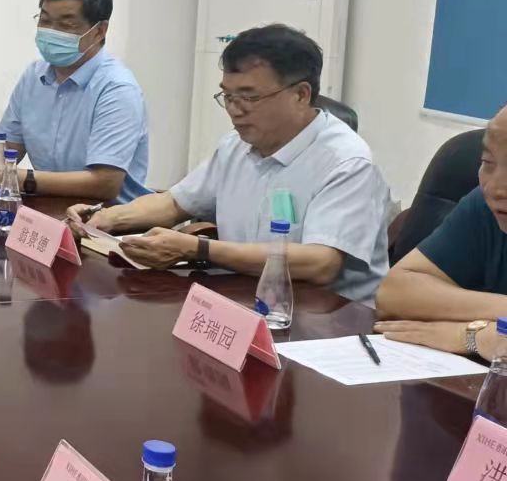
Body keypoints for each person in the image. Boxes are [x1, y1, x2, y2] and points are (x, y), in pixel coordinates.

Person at [68, 24, 390, 301]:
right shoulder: (237, 144)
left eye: (249, 97)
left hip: (327, 320)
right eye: (228, 96)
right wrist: (103, 219)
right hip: (245, 299)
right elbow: (175, 203)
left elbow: (320, 263)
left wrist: (199, 249)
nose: (235, 109)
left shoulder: (347, 163)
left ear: (301, 94)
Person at [0, 0, 151, 205]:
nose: (51, 31)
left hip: (107, 219)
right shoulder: (34, 76)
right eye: (45, 20)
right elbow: (9, 145)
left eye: (66, 24)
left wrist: (21, 178)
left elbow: (105, 183)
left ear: (99, 31)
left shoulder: (117, 89)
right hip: (47, 211)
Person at [374, 102, 507, 357]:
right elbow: (394, 292)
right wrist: (491, 325)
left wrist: (467, 336)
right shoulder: (485, 206)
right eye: (488, 162)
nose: (495, 188)